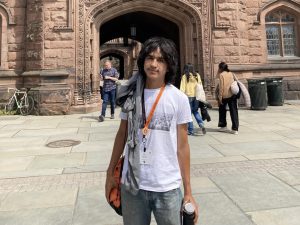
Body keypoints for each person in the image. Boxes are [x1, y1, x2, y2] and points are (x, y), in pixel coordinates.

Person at [105, 37, 198, 225]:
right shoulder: (130, 94)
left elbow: (182, 147)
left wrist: (188, 191)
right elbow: (122, 135)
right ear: (143, 61)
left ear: (169, 65)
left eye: (161, 59)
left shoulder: (178, 98)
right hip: (132, 185)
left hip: (167, 186)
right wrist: (109, 173)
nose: (154, 64)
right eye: (150, 58)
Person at [180, 63, 206, 136]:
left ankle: (190, 130)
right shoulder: (197, 75)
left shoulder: (185, 76)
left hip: (188, 96)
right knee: (195, 111)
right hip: (196, 96)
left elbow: (182, 88)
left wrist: (181, 97)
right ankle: (201, 124)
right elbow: (200, 85)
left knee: (188, 113)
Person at [217, 62, 239, 134]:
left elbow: (221, 88)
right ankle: (235, 129)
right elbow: (236, 81)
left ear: (220, 68)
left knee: (222, 110)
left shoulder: (221, 75)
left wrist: (220, 98)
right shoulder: (231, 73)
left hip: (225, 95)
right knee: (234, 111)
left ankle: (223, 126)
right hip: (232, 95)